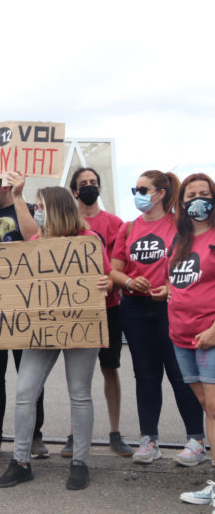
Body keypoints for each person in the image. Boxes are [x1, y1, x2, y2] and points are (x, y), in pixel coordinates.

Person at [0, 186, 112, 491]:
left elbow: (108, 279)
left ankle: (80, 462)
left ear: (57, 208)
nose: (37, 211)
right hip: (41, 328)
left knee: (80, 393)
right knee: (24, 392)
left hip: (80, 325)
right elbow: (17, 285)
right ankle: (20, 461)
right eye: (35, 206)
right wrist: (1, 293)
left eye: (41, 205)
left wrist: (105, 282)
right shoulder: (34, 242)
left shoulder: (89, 241)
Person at [111, 170, 204, 465]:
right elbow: (113, 269)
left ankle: (196, 441)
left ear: (161, 194)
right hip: (135, 309)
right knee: (145, 376)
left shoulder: (180, 224)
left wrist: (170, 288)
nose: (138, 194)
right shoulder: (128, 228)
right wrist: (127, 282)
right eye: (134, 189)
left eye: (143, 189)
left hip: (170, 309)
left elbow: (194, 262)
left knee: (181, 376)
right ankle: (148, 440)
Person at [0, 172, 46, 459]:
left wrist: (19, 196)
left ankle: (34, 435)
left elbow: (35, 243)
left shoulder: (27, 211)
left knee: (30, 373)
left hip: (22, 304)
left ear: (4, 185)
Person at [60, 168, 133, 457]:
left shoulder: (116, 224)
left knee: (109, 368)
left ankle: (115, 432)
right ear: (74, 192)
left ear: (100, 189)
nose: (89, 187)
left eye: (93, 183)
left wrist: (109, 278)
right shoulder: (66, 224)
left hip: (109, 307)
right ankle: (74, 433)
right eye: (83, 184)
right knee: (76, 375)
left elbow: (116, 268)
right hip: (75, 312)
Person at [171, 174, 215, 506]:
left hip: (210, 335)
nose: (198, 199)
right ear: (182, 202)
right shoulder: (180, 240)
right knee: (208, 408)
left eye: (204, 193)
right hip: (181, 336)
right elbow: (178, 284)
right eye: (191, 194)